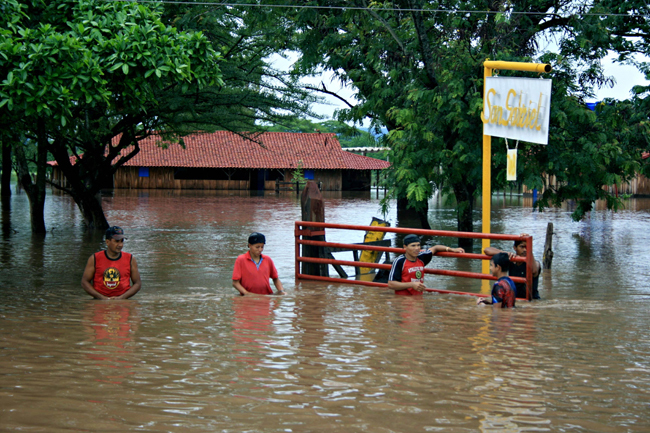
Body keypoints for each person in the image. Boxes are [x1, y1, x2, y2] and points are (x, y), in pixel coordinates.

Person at [387, 234, 465, 296]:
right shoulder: (399, 261)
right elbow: (391, 284)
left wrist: (451, 249)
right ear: (405, 247)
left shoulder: (422, 257)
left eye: (418, 245)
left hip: (418, 297)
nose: (417, 248)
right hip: (403, 298)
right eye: (413, 246)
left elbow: (435, 248)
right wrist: (411, 284)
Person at [81, 226, 142, 300]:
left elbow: (137, 283)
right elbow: (84, 282)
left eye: (121, 241)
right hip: (100, 301)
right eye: (116, 241)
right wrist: (101, 298)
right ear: (107, 242)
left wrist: (122, 298)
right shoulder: (95, 258)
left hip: (122, 301)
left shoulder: (130, 259)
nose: (120, 245)